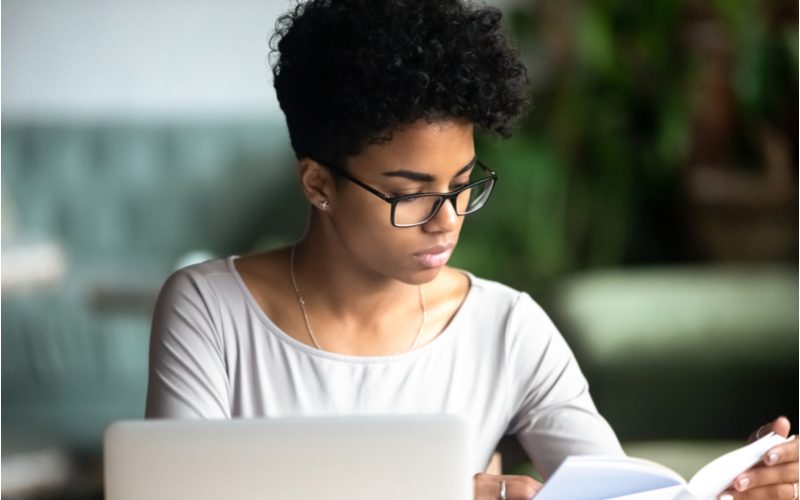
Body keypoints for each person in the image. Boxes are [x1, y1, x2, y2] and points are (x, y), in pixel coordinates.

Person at [144, 1, 798, 498]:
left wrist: (733, 488)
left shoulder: (506, 327)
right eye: (410, 193)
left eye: (462, 186)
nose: (447, 220)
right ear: (318, 183)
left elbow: (619, 495)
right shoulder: (211, 311)